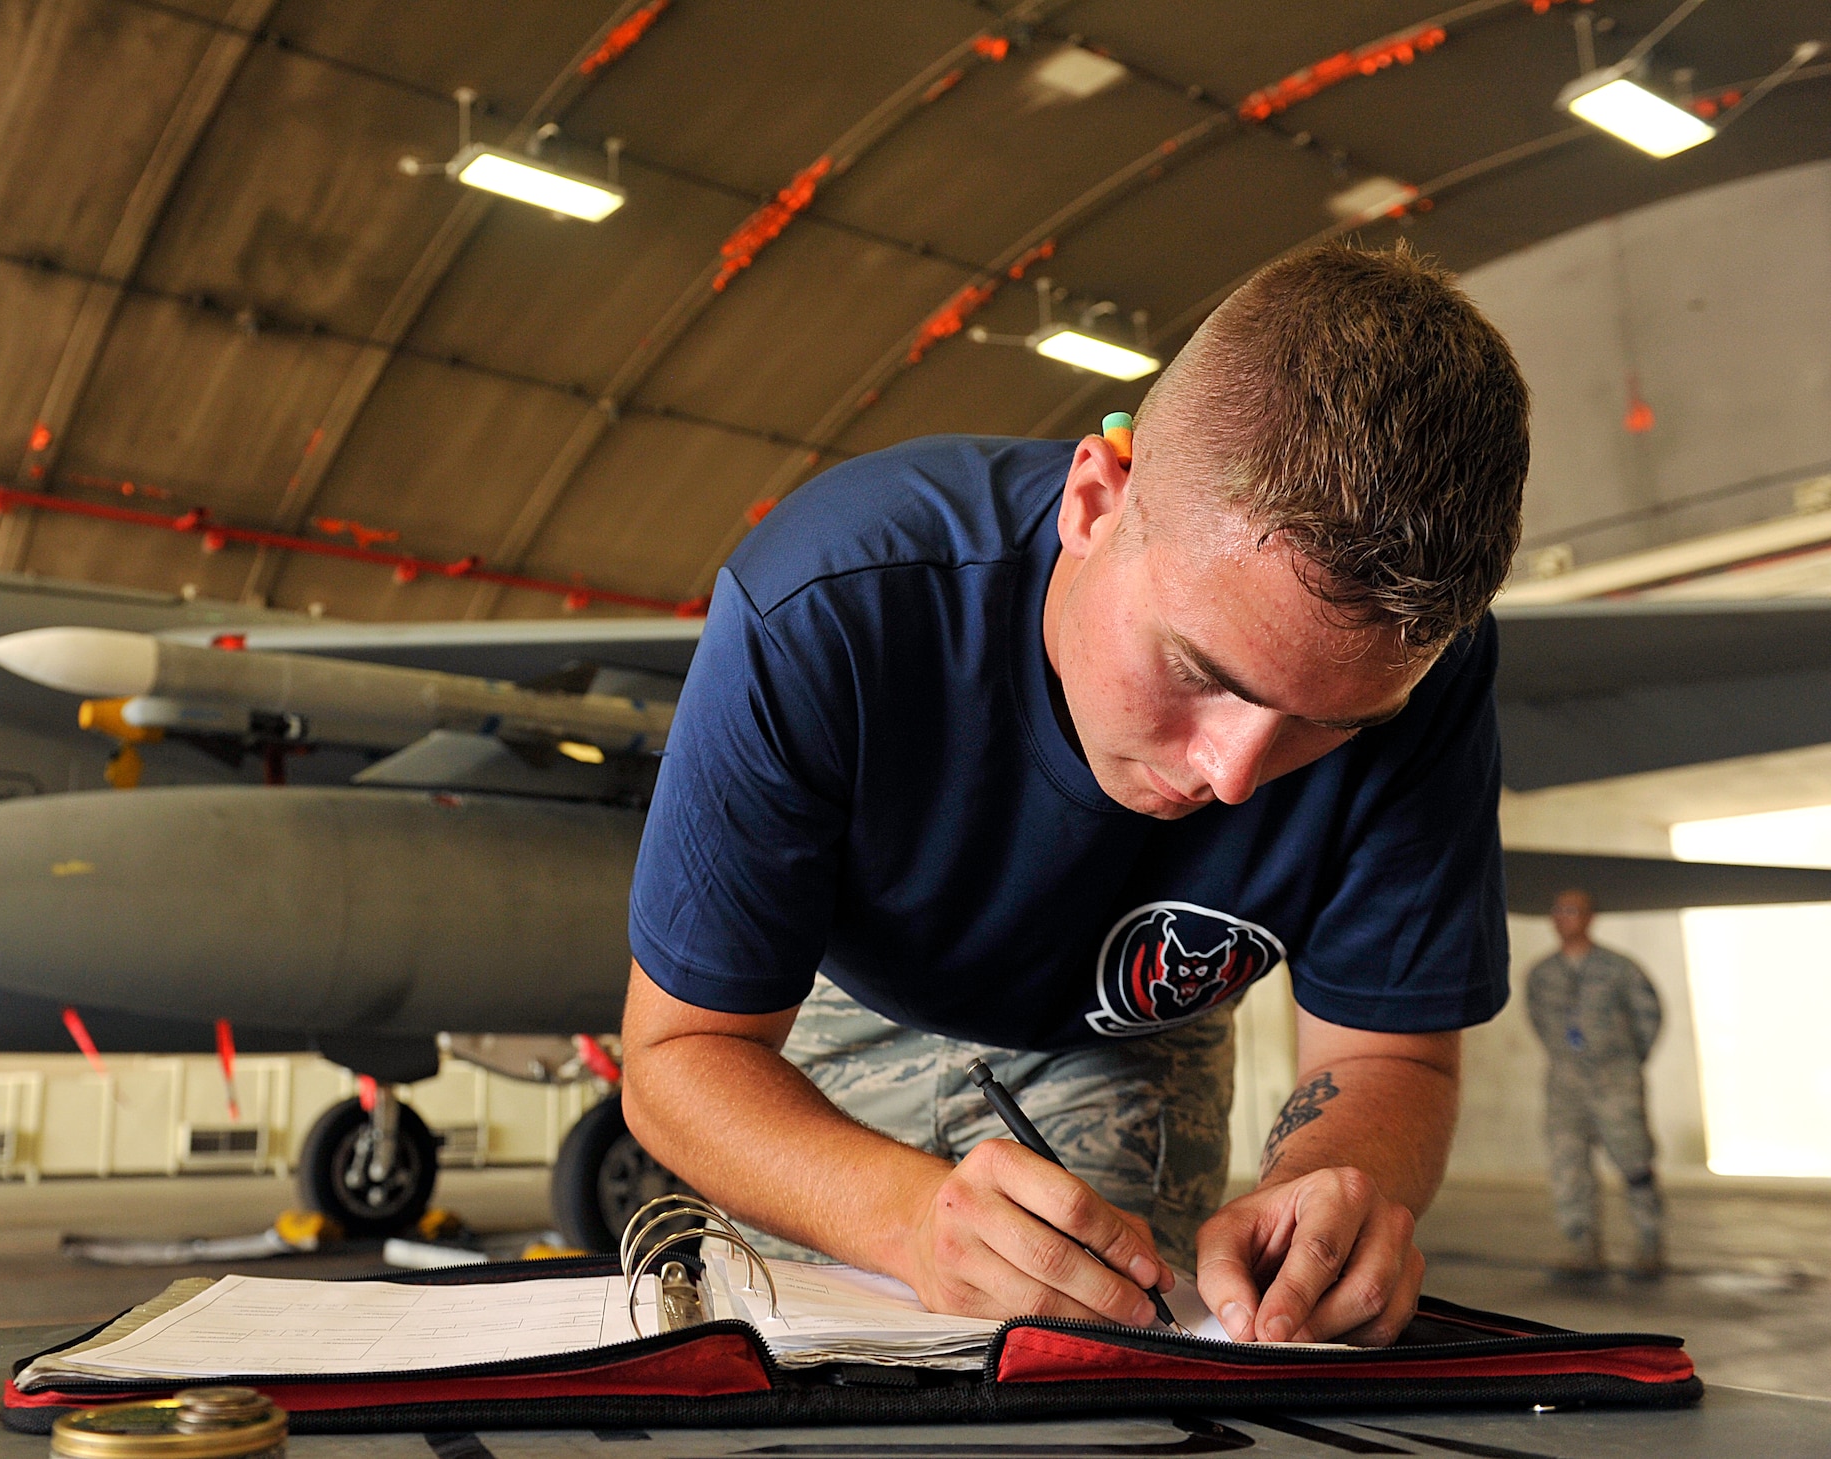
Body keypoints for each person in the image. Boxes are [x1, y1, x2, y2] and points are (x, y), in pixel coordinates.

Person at [622, 241, 1530, 1347]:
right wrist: (904, 1218)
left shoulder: (1422, 670)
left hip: (1135, 1031)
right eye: (1200, 673)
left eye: (1332, 725)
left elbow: (1390, 1052)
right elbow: (676, 1057)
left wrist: (1329, 1189)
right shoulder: (828, 603)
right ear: (1096, 501)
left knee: (1104, 1357)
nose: (1231, 775)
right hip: (831, 1000)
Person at [1526, 889, 1666, 1279]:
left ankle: (1649, 1243)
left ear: (1590, 918)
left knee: (1634, 1162)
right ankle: (1581, 1246)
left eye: (1571, 910)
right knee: (1568, 1165)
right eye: (1556, 910)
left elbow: (1648, 1017)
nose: (1562, 918)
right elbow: (1539, 1022)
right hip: (1565, 1086)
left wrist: (1625, 1062)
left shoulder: (1620, 968)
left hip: (1615, 1083)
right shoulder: (1542, 974)